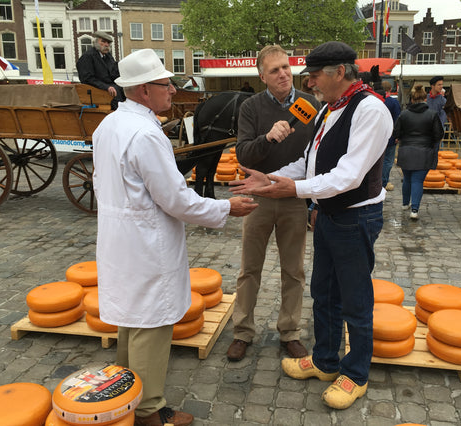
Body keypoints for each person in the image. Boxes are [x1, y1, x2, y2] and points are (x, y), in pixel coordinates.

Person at [92, 49, 257, 426]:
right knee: (150, 323)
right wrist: (226, 208)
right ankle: (149, 410)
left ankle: (124, 392)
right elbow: (176, 199)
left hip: (120, 237)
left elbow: (103, 184)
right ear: (144, 91)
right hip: (147, 242)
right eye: (165, 83)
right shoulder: (145, 134)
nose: (172, 89)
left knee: (130, 319)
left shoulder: (108, 126)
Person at [230, 41, 392, 410]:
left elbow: (349, 176)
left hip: (356, 215)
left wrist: (295, 189)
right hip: (330, 214)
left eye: (315, 75)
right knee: (324, 292)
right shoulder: (329, 110)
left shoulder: (370, 110)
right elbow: (308, 161)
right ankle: (325, 361)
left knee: (354, 299)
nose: (310, 82)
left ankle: (355, 374)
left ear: (339, 72)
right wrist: (269, 181)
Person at [227, 45, 321, 362]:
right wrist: (267, 138)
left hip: (294, 198)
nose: (283, 74)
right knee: (249, 269)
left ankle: (290, 332)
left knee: (293, 270)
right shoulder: (251, 108)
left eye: (285, 67)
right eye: (274, 70)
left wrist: (314, 197)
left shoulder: (311, 105)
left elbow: (317, 158)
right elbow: (243, 155)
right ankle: (242, 331)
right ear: (261, 76)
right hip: (258, 199)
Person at [393, 83, 444, 220]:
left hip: (406, 150)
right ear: (425, 99)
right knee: (417, 181)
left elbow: (396, 133)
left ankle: (405, 204)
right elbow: (439, 134)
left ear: (412, 100)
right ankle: (414, 209)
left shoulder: (404, 115)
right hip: (424, 151)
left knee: (407, 179)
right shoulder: (432, 115)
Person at [77, 31, 125, 110]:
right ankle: (118, 113)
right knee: (115, 90)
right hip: (98, 91)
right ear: (95, 42)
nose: (106, 45)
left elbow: (114, 73)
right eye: (103, 41)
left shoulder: (108, 56)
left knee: (127, 88)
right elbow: (87, 78)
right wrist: (106, 87)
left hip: (111, 88)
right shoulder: (88, 56)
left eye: (108, 43)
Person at [381, 80, 401, 191]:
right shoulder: (393, 103)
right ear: (390, 89)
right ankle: (383, 182)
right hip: (390, 136)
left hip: (377, 137)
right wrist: (397, 135)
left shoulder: (377, 100)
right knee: (388, 161)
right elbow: (398, 120)